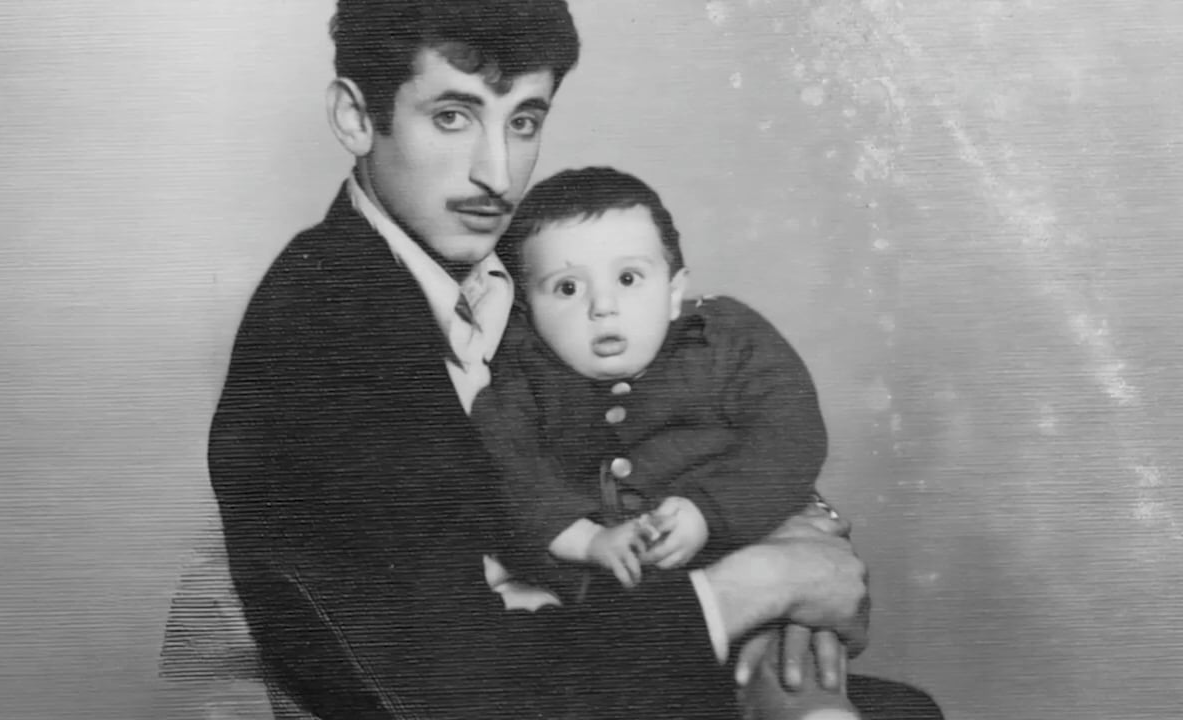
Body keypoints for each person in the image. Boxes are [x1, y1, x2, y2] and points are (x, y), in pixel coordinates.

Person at [206, 1, 941, 719]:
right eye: (453, 116)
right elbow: (447, 691)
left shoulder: (521, 275)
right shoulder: (317, 336)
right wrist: (762, 583)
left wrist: (787, 533)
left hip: (602, 641)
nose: (497, 174)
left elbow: (680, 416)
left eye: (523, 120)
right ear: (355, 116)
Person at [472, 166, 830, 604]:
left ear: (674, 292)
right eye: (567, 288)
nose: (603, 307)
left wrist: (707, 512)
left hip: (738, 566)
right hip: (598, 597)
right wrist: (586, 540)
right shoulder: (520, 375)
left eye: (628, 279)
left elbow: (789, 437)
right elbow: (507, 470)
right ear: (526, 310)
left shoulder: (727, 340)